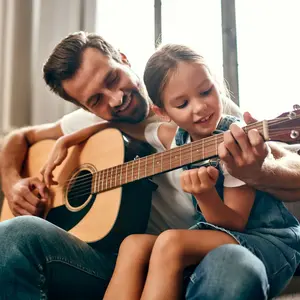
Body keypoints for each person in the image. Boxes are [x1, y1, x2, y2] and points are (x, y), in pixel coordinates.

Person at [1, 32, 300, 299]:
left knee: (226, 264)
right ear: (85, 109)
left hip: (208, 252)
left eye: (112, 79)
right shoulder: (100, 123)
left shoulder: (208, 114)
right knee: (14, 233)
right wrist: (14, 183)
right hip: (117, 261)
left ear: (123, 58)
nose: (116, 99)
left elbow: (285, 162)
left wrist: (258, 172)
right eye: (96, 101)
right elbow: (19, 138)